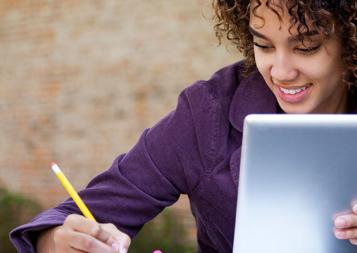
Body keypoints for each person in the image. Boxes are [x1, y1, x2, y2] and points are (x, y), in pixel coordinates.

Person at [10, 0, 357, 252]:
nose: (280, 71)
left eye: (306, 47)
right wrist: (58, 242)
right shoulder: (207, 113)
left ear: (350, 41)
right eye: (263, 45)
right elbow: (72, 216)